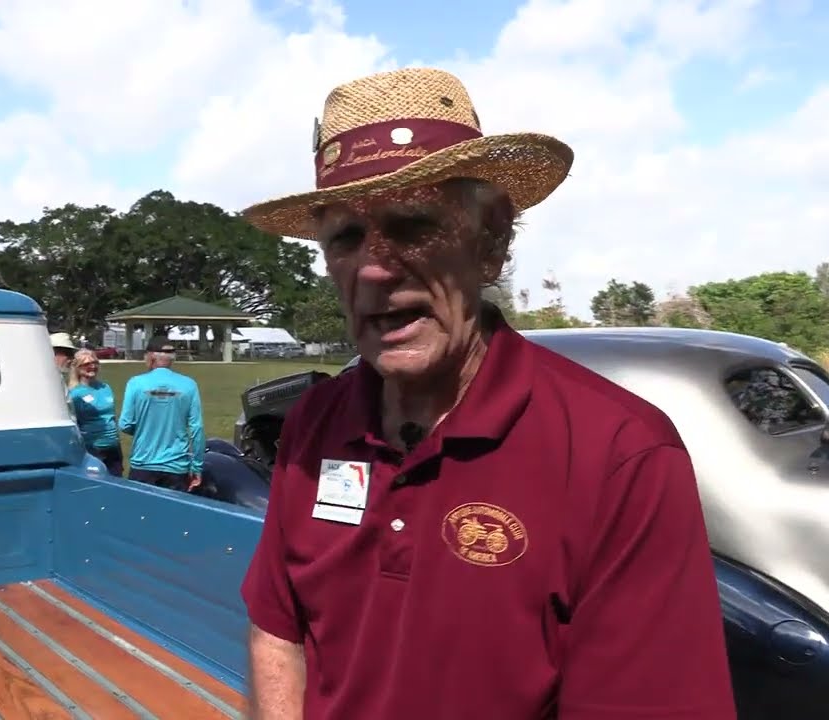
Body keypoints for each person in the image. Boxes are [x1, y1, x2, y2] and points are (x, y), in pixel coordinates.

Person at [237, 67, 735, 719]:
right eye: (347, 239)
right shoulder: (313, 425)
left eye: (413, 224)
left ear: (493, 239)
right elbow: (278, 631)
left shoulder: (619, 455)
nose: (375, 268)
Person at [119, 336, 205, 492]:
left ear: (150, 356)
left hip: (143, 464)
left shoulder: (136, 383)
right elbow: (196, 429)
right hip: (176, 466)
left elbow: (125, 424)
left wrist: (144, 430)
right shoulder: (189, 385)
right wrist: (197, 466)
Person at [67, 348, 124, 476]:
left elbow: (112, 416)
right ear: (77, 367)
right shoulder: (75, 394)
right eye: (86, 364)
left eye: (95, 363)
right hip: (93, 448)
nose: (92, 366)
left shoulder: (105, 387)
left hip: (113, 446)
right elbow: (74, 423)